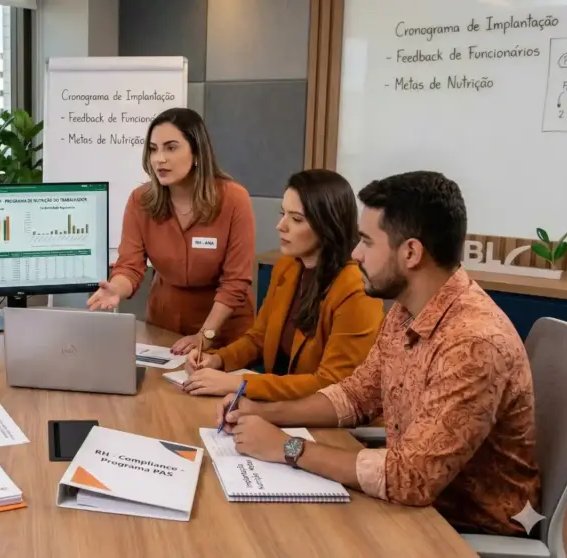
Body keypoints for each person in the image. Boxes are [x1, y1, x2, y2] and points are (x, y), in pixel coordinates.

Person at [215, 171, 540, 536]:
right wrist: (262, 411)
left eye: (367, 242)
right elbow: (354, 396)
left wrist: (288, 447)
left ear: (411, 253)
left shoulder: (474, 342)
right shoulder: (406, 311)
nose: (355, 254)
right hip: (409, 507)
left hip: (458, 529)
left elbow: (411, 479)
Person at [183, 170, 383, 400]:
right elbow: (258, 339)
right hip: (278, 407)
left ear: (328, 225)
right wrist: (217, 359)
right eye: (283, 214)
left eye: (296, 219)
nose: (280, 226)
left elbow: (332, 383)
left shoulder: (356, 289)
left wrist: (239, 384)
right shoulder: (287, 266)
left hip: (327, 422)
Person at [87, 107, 255, 355]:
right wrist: (117, 289)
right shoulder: (140, 201)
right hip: (164, 325)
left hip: (223, 329)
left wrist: (205, 336)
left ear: (197, 151)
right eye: (153, 149)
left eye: (171, 147)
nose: (159, 159)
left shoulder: (233, 199)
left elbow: (235, 282)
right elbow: (130, 267)